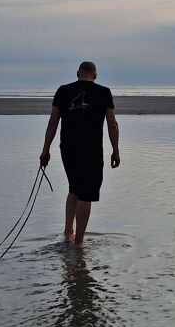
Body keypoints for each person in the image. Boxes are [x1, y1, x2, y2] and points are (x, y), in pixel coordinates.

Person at [40, 61, 120, 246]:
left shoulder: (63, 90)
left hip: (68, 148)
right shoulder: (103, 92)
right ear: (95, 75)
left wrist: (45, 150)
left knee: (74, 188)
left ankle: (68, 233)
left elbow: (52, 122)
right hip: (91, 149)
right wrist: (115, 151)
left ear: (77, 73)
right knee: (86, 194)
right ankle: (79, 242)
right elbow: (112, 124)